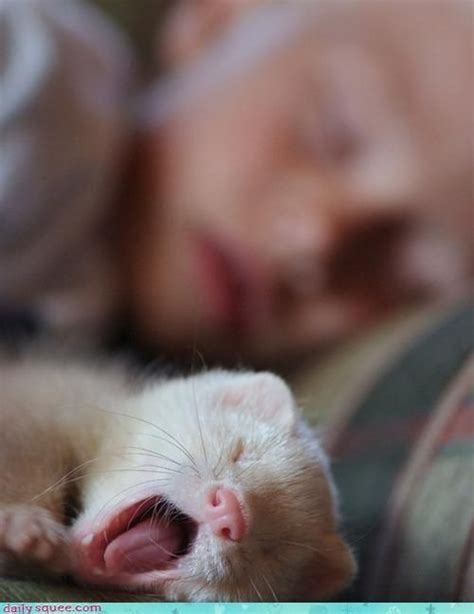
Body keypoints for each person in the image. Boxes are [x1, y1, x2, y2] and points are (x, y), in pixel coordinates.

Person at [1, 0, 472, 366]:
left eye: (406, 275)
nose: (319, 237)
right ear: (218, 20)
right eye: (333, 133)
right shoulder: (42, 100)